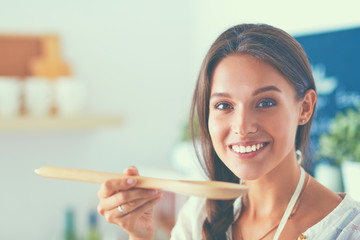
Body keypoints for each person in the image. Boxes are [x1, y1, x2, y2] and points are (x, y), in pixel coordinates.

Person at [96, 24, 360, 240]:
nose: (243, 126)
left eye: (265, 102)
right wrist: (140, 236)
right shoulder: (199, 216)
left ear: (305, 107)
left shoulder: (347, 229)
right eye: (224, 105)